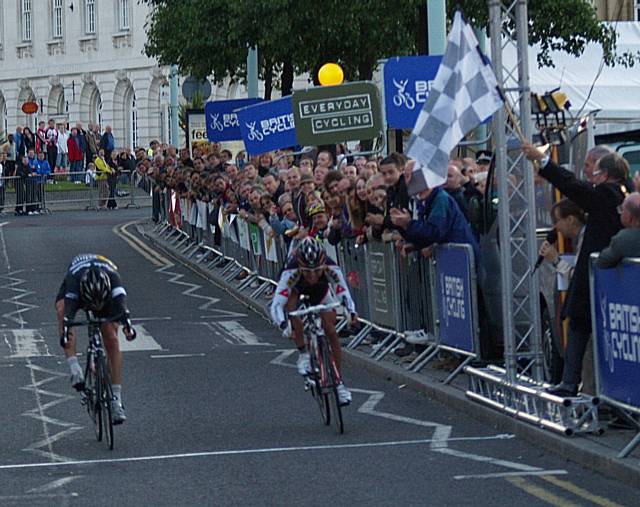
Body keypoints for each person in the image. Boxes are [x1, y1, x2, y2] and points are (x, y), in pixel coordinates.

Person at [522, 144, 628, 397]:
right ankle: (577, 383)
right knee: (582, 325)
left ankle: (573, 383)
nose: (590, 178)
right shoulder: (623, 193)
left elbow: (572, 186)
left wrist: (544, 162)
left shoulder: (607, 194)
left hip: (601, 276)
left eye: (593, 172)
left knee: (581, 325)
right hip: (606, 276)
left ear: (604, 174)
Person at [270, 238, 357, 406]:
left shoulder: (330, 267)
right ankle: (303, 352)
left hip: (321, 292)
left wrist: (351, 311)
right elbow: (276, 305)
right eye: (307, 272)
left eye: (317, 271)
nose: (312, 276)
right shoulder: (291, 270)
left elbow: (343, 292)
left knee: (330, 330)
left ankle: (338, 383)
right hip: (297, 290)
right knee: (291, 309)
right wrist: (283, 324)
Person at [55, 254, 136, 424]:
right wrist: (72, 362)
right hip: (78, 280)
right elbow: (68, 316)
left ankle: (116, 400)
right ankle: (75, 369)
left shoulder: (114, 282)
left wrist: (128, 327)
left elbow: (123, 310)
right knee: (62, 311)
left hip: (105, 284)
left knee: (111, 338)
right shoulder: (74, 284)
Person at [596, 192, 640, 268]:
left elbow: (601, 262)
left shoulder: (625, 239)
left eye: (622, 209)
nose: (620, 212)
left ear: (629, 217)